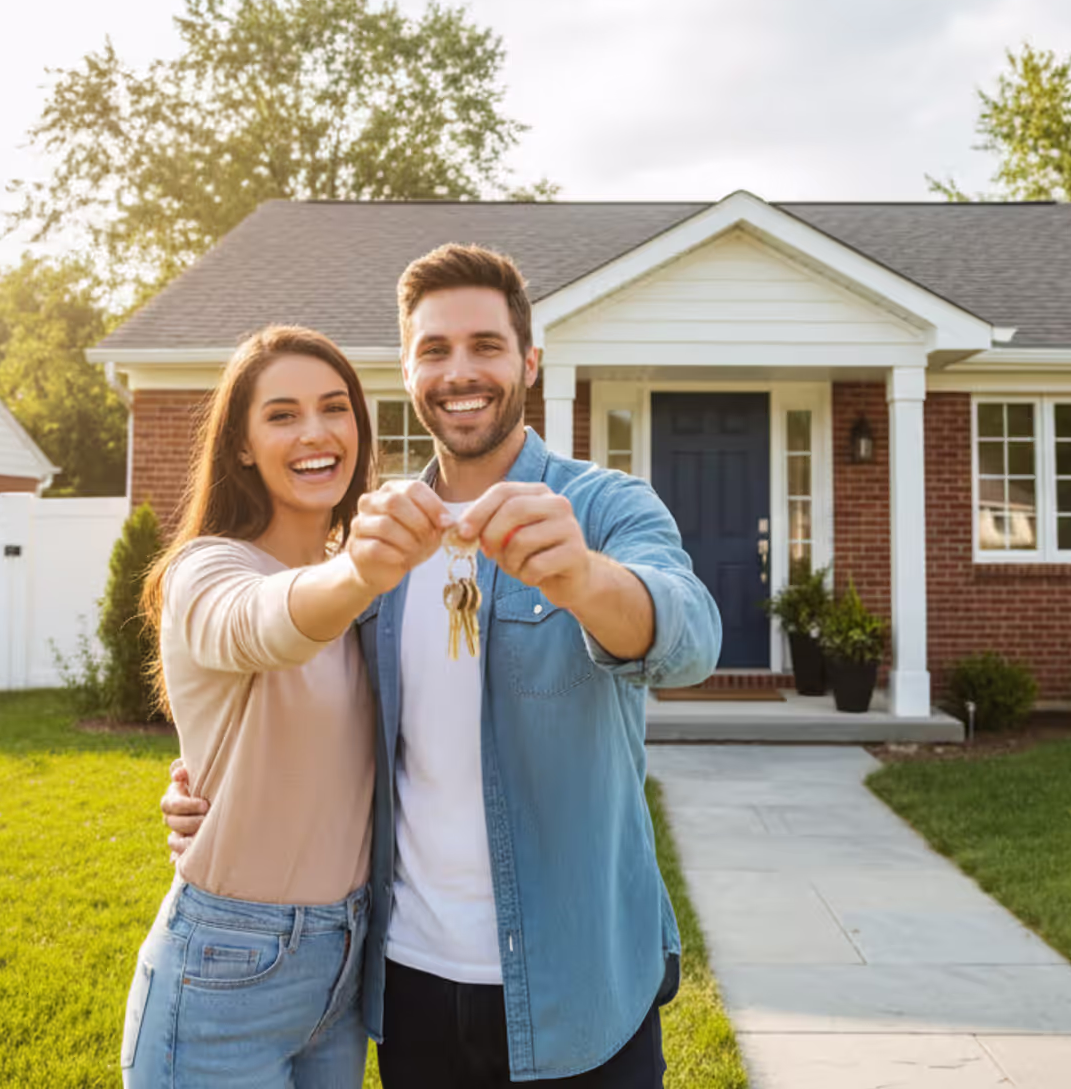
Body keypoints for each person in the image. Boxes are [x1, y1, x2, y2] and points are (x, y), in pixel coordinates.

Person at [162, 244, 723, 1086]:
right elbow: (299, 690)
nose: (461, 372)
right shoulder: (374, 542)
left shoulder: (603, 508)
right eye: (435, 351)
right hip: (408, 988)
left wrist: (583, 577)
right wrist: (210, 786)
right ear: (408, 371)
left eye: (486, 347)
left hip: (582, 986)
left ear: (530, 362)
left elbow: (690, 638)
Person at [123, 325, 452, 1089]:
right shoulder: (206, 569)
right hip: (225, 971)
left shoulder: (368, 592)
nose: (315, 433)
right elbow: (263, 624)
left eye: (334, 407)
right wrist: (364, 570)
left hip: (346, 971)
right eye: (281, 414)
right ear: (240, 445)